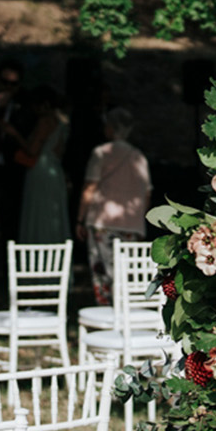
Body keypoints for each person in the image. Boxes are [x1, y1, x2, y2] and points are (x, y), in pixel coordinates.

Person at [77, 106, 151, 305]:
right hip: (131, 224)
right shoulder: (139, 157)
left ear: (111, 127)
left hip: (102, 221)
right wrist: (139, 219)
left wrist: (80, 219)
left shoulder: (101, 153)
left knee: (103, 272)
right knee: (126, 273)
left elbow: (89, 188)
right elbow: (146, 193)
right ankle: (126, 311)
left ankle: (106, 313)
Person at [0, 59, 27, 273]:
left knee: (10, 218)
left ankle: (9, 267)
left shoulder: (24, 106)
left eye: (14, 84)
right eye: (5, 82)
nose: (8, 88)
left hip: (12, 168)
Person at [12, 86, 70, 245]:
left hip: (41, 171)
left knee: (39, 215)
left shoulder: (45, 121)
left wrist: (14, 134)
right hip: (55, 171)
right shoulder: (62, 121)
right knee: (52, 214)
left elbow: (32, 150)